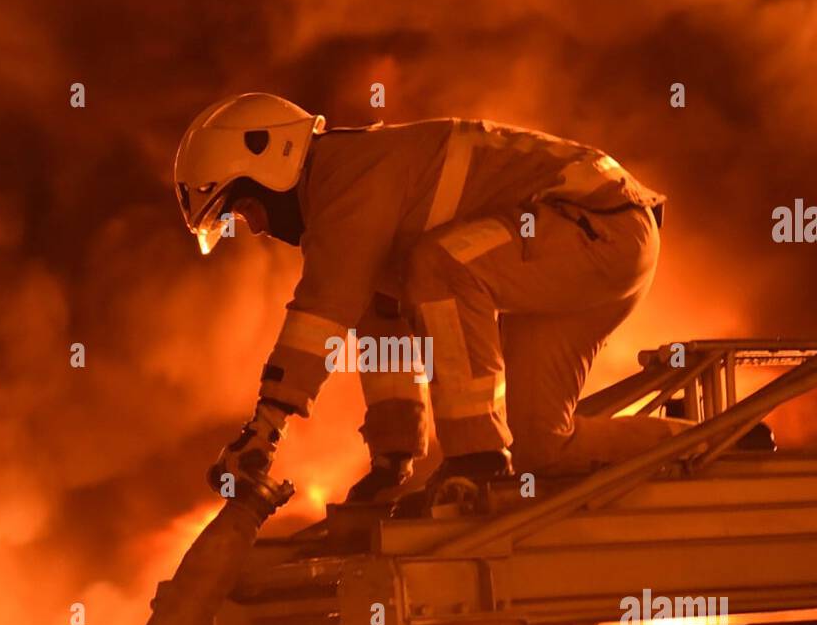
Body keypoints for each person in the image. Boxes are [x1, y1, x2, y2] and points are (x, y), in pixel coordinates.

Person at [174, 93, 682, 504]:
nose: (258, 228)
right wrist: (393, 457)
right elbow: (379, 321)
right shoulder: (357, 211)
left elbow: (323, 308)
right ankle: (699, 443)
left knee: (442, 267)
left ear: (272, 157)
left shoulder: (348, 174)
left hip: (602, 226)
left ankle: (477, 457)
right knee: (542, 448)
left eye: (244, 208)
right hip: (576, 254)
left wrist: (265, 428)